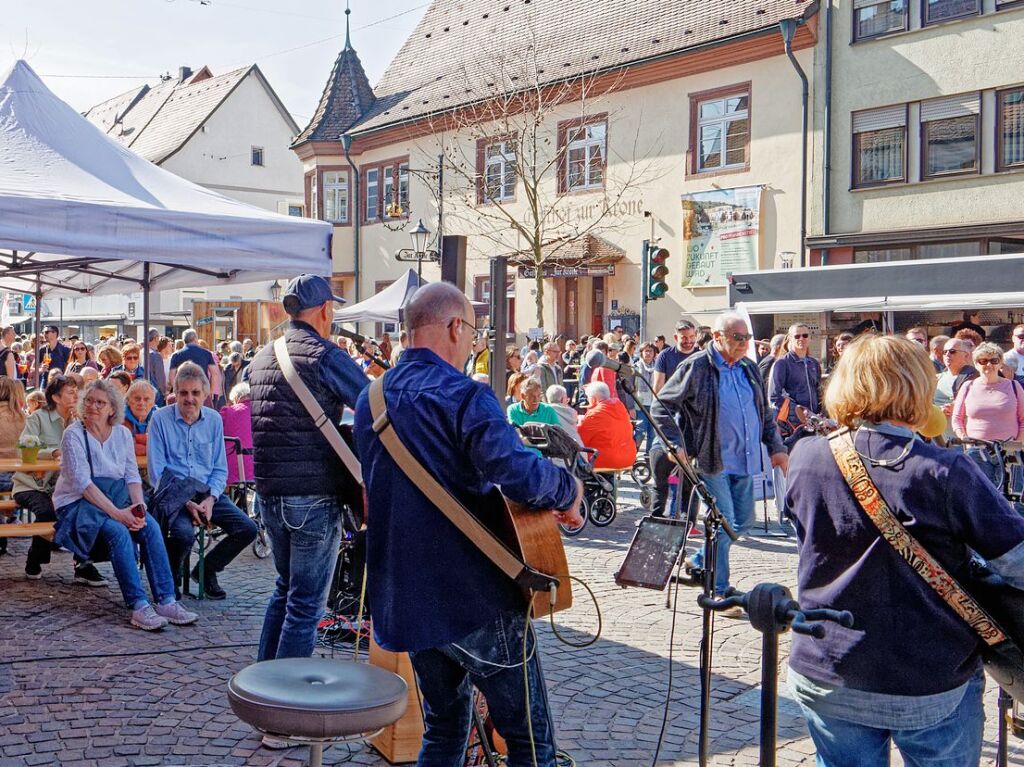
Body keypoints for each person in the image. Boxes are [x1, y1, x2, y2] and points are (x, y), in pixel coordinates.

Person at [353, 281, 583, 767]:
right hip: (474, 595)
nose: (473, 345)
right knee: (528, 741)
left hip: (408, 596)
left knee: (443, 730)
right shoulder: (464, 396)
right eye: (474, 334)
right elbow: (516, 472)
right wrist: (569, 490)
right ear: (456, 326)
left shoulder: (370, 400)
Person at [785, 334, 1024, 766]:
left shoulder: (807, 456)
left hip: (828, 665)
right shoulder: (944, 470)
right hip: (926, 676)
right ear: (917, 387)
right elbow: (1018, 563)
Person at [247, 274, 368, 689]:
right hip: (313, 494)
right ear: (324, 310)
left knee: (284, 589)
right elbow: (371, 404)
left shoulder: (262, 356)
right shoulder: (324, 354)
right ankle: (284, 706)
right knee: (305, 603)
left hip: (269, 493)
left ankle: (260, 689)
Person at [652, 313, 787, 607]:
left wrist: (777, 447)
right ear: (717, 337)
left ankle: (700, 560)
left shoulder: (749, 368)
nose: (743, 344)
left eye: (747, 338)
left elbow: (764, 413)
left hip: (745, 460)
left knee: (743, 521)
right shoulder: (697, 366)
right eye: (737, 338)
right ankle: (718, 587)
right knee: (723, 522)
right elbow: (660, 406)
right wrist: (676, 444)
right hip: (712, 460)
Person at [50, 379, 197, 630]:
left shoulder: (122, 434)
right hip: (77, 503)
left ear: (112, 409)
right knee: (118, 531)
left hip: (115, 498)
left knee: (149, 526)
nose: (93, 406)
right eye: (89, 401)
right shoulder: (73, 435)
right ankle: (139, 605)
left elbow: (131, 476)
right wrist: (119, 515)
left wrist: (139, 508)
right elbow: (83, 485)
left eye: (100, 402)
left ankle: (166, 600)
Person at [147, 362, 257, 600]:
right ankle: (170, 579)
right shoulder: (160, 419)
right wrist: (186, 502)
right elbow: (157, 472)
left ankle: (207, 570)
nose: (189, 399)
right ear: (175, 393)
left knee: (247, 529)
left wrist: (211, 499)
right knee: (182, 534)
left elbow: (219, 468)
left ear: (205, 394)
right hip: (172, 494)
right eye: (184, 393)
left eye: (195, 393)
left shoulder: (214, 420)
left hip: (205, 492)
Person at [16, 375, 109, 584]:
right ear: (56, 398)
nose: (77, 395)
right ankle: (35, 559)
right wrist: (54, 452)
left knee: (89, 508)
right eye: (71, 392)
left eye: (77, 392)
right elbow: (24, 447)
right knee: (48, 511)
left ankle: (83, 564)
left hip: (66, 486)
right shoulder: (37, 418)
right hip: (32, 485)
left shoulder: (79, 422)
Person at [951, 341, 1024, 486]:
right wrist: (966, 440)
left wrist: (1016, 443)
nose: (988, 365)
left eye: (994, 360)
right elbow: (957, 418)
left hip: (1009, 452)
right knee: (979, 498)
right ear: (976, 363)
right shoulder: (968, 386)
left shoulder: (1013, 386)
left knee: (1013, 502)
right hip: (977, 451)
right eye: (983, 361)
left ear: (1000, 363)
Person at [768, 323, 822, 447]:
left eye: (805, 335)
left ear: (809, 338)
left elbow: (818, 390)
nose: (801, 339)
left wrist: (820, 414)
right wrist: (800, 413)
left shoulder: (813, 363)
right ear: (790, 339)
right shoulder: (782, 363)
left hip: (814, 422)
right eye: (797, 336)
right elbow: (774, 396)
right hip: (793, 426)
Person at [578, 381, 637, 470]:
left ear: (593, 399)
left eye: (588, 398)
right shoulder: (620, 406)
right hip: (629, 457)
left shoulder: (595, 414)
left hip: (605, 460)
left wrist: (578, 423)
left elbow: (581, 440)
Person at [168, 329, 221, 405]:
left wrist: (177, 391)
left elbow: (171, 376)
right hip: (201, 392)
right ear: (195, 339)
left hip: (183, 392)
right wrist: (210, 391)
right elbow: (214, 374)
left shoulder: (176, 355)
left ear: (184, 340)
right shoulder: (206, 353)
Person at [220, 383, 255, 488]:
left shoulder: (227, 411)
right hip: (260, 471)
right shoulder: (261, 410)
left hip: (231, 472)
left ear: (236, 398)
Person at [652, 319, 698, 394]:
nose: (688, 340)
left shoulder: (702, 354)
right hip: (672, 403)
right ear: (676, 337)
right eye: (684, 337)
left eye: (692, 336)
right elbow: (658, 388)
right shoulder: (665, 356)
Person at [123, 380, 157, 457]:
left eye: (146, 399)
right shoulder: (119, 419)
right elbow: (125, 448)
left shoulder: (159, 419)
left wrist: (135, 439)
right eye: (137, 399)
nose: (141, 403)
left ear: (153, 403)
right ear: (128, 401)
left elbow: (164, 446)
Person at [146, 329, 168, 397]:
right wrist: (164, 392)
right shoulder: (155, 355)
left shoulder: (141, 352)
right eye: (158, 337)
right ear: (155, 338)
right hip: (155, 393)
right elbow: (160, 377)